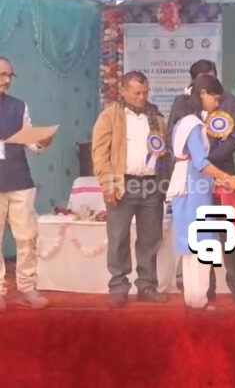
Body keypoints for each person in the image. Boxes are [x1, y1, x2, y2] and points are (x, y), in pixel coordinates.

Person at [167, 60, 235, 304]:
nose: (217, 105)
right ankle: (198, 299)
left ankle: (195, 299)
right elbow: (201, 162)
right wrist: (228, 179)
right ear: (202, 94)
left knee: (193, 245)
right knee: (200, 244)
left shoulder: (185, 122)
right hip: (195, 185)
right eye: (215, 99)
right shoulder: (193, 125)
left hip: (192, 184)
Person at [92, 71, 171, 307]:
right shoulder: (110, 116)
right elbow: (100, 154)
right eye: (137, 93)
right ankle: (118, 286)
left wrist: (164, 184)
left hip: (152, 185)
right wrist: (108, 183)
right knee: (118, 238)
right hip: (121, 184)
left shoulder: (156, 117)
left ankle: (147, 286)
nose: (142, 97)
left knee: (150, 239)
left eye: (145, 92)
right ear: (123, 91)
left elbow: (164, 155)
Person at [0, 57, 54, 311]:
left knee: (27, 238)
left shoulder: (19, 105)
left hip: (20, 181)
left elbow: (29, 141)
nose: (7, 80)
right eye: (2, 75)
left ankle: (27, 287)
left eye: (10, 75)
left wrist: (41, 142)